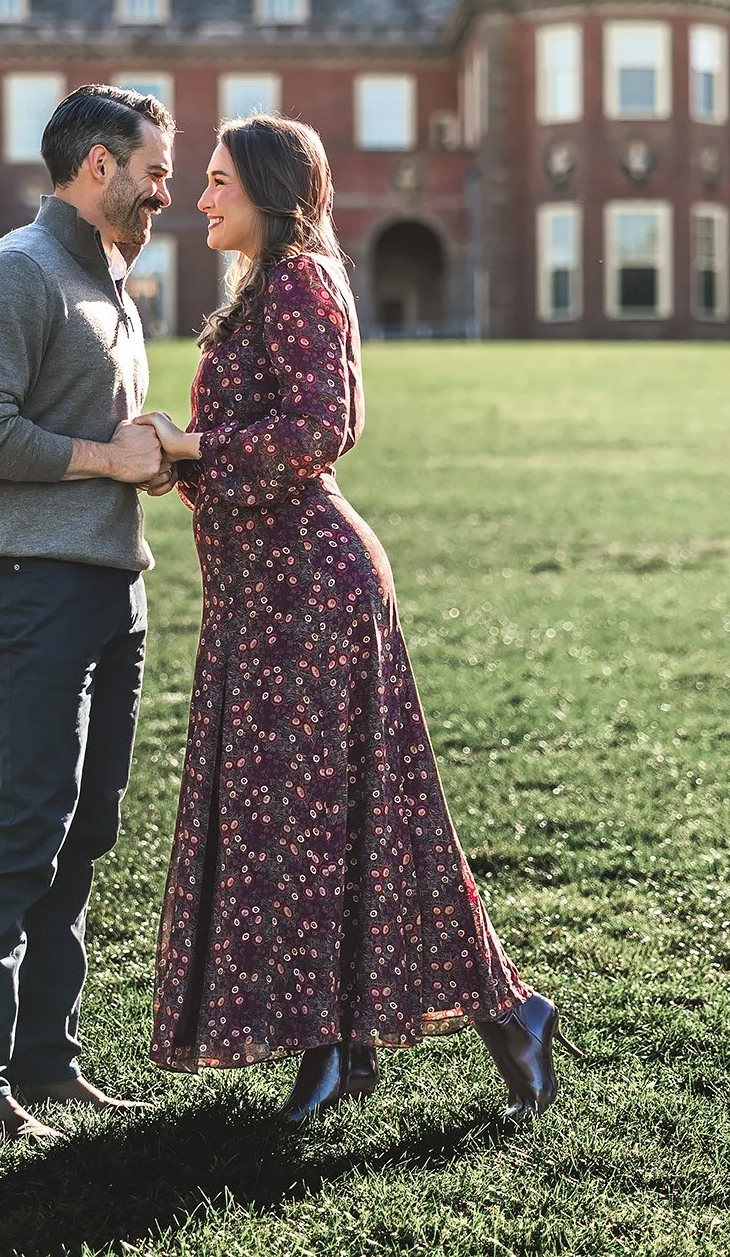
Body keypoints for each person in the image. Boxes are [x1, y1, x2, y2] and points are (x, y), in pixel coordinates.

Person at [138, 115, 572, 1125]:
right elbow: (265, 433)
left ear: (271, 192)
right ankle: (361, 1041)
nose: (199, 199)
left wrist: (193, 446)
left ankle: (491, 1014)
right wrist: (183, 452)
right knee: (308, 821)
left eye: (216, 183)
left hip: (311, 592)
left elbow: (323, 425)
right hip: (265, 593)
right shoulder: (261, 287)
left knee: (354, 818)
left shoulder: (300, 280)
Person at [0, 84, 178, 1145]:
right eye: (153, 169)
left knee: (84, 828)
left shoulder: (109, 279)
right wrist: (101, 456)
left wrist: (145, 451)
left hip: (107, 584)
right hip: (29, 586)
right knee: (26, 826)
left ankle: (48, 1060)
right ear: (94, 165)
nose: (166, 187)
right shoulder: (21, 271)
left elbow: (86, 428)